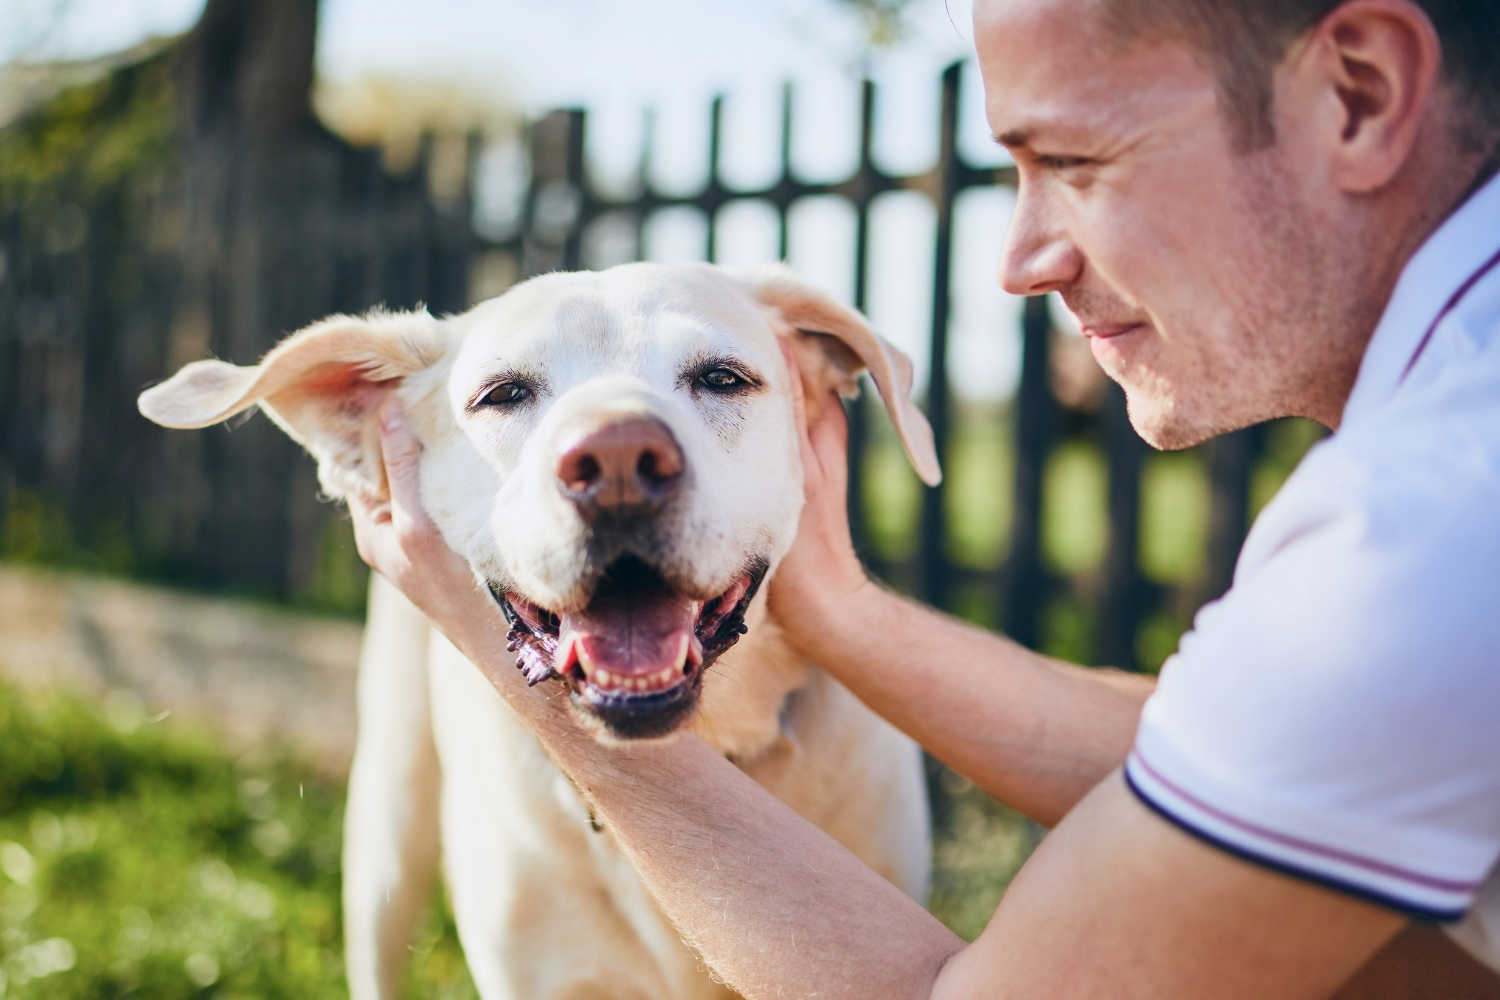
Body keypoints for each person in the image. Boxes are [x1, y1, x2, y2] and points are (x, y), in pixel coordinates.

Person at [348, 0, 1500, 995]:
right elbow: (1257, 763)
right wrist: (839, 611)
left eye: (1076, 163)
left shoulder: (1429, 523)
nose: (1021, 258)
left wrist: (533, 677)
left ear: (1357, 94)